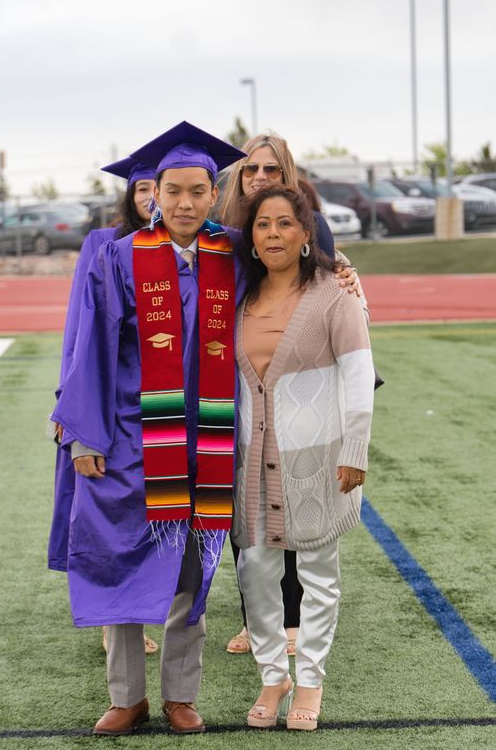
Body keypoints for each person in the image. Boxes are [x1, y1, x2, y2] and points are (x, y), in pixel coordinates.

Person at [51, 121, 246, 735]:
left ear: (213, 194)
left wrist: (343, 271)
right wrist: (84, 435)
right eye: (173, 191)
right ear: (152, 194)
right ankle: (126, 696)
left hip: (205, 436)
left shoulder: (234, 254)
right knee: (119, 561)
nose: (186, 203)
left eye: (198, 190)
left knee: (192, 569)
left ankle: (180, 694)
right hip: (130, 438)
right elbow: (90, 346)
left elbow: (299, 262)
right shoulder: (116, 255)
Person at [232, 185, 374, 731]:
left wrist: (355, 450)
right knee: (255, 573)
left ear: (305, 234)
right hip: (252, 462)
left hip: (318, 460)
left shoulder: (334, 296)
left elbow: (359, 374)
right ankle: (273, 674)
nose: (273, 234)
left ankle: (309, 681)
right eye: (263, 224)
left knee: (318, 574)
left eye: (285, 224)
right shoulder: (243, 296)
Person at [220, 133, 364, 656]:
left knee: (296, 500)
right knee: (249, 512)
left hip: (301, 386)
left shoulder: (310, 223)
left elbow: (334, 279)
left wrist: (351, 281)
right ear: (239, 176)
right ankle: (254, 617)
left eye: (272, 169)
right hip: (240, 385)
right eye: (252, 169)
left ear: (288, 175)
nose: (261, 178)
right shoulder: (223, 234)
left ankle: (295, 619)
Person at [48, 158, 159, 655]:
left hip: (167, 413)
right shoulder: (106, 248)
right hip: (110, 402)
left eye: (167, 187)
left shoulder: (208, 250)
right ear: (130, 196)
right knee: (104, 515)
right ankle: (115, 619)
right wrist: (68, 406)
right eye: (145, 189)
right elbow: (81, 332)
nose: (156, 198)